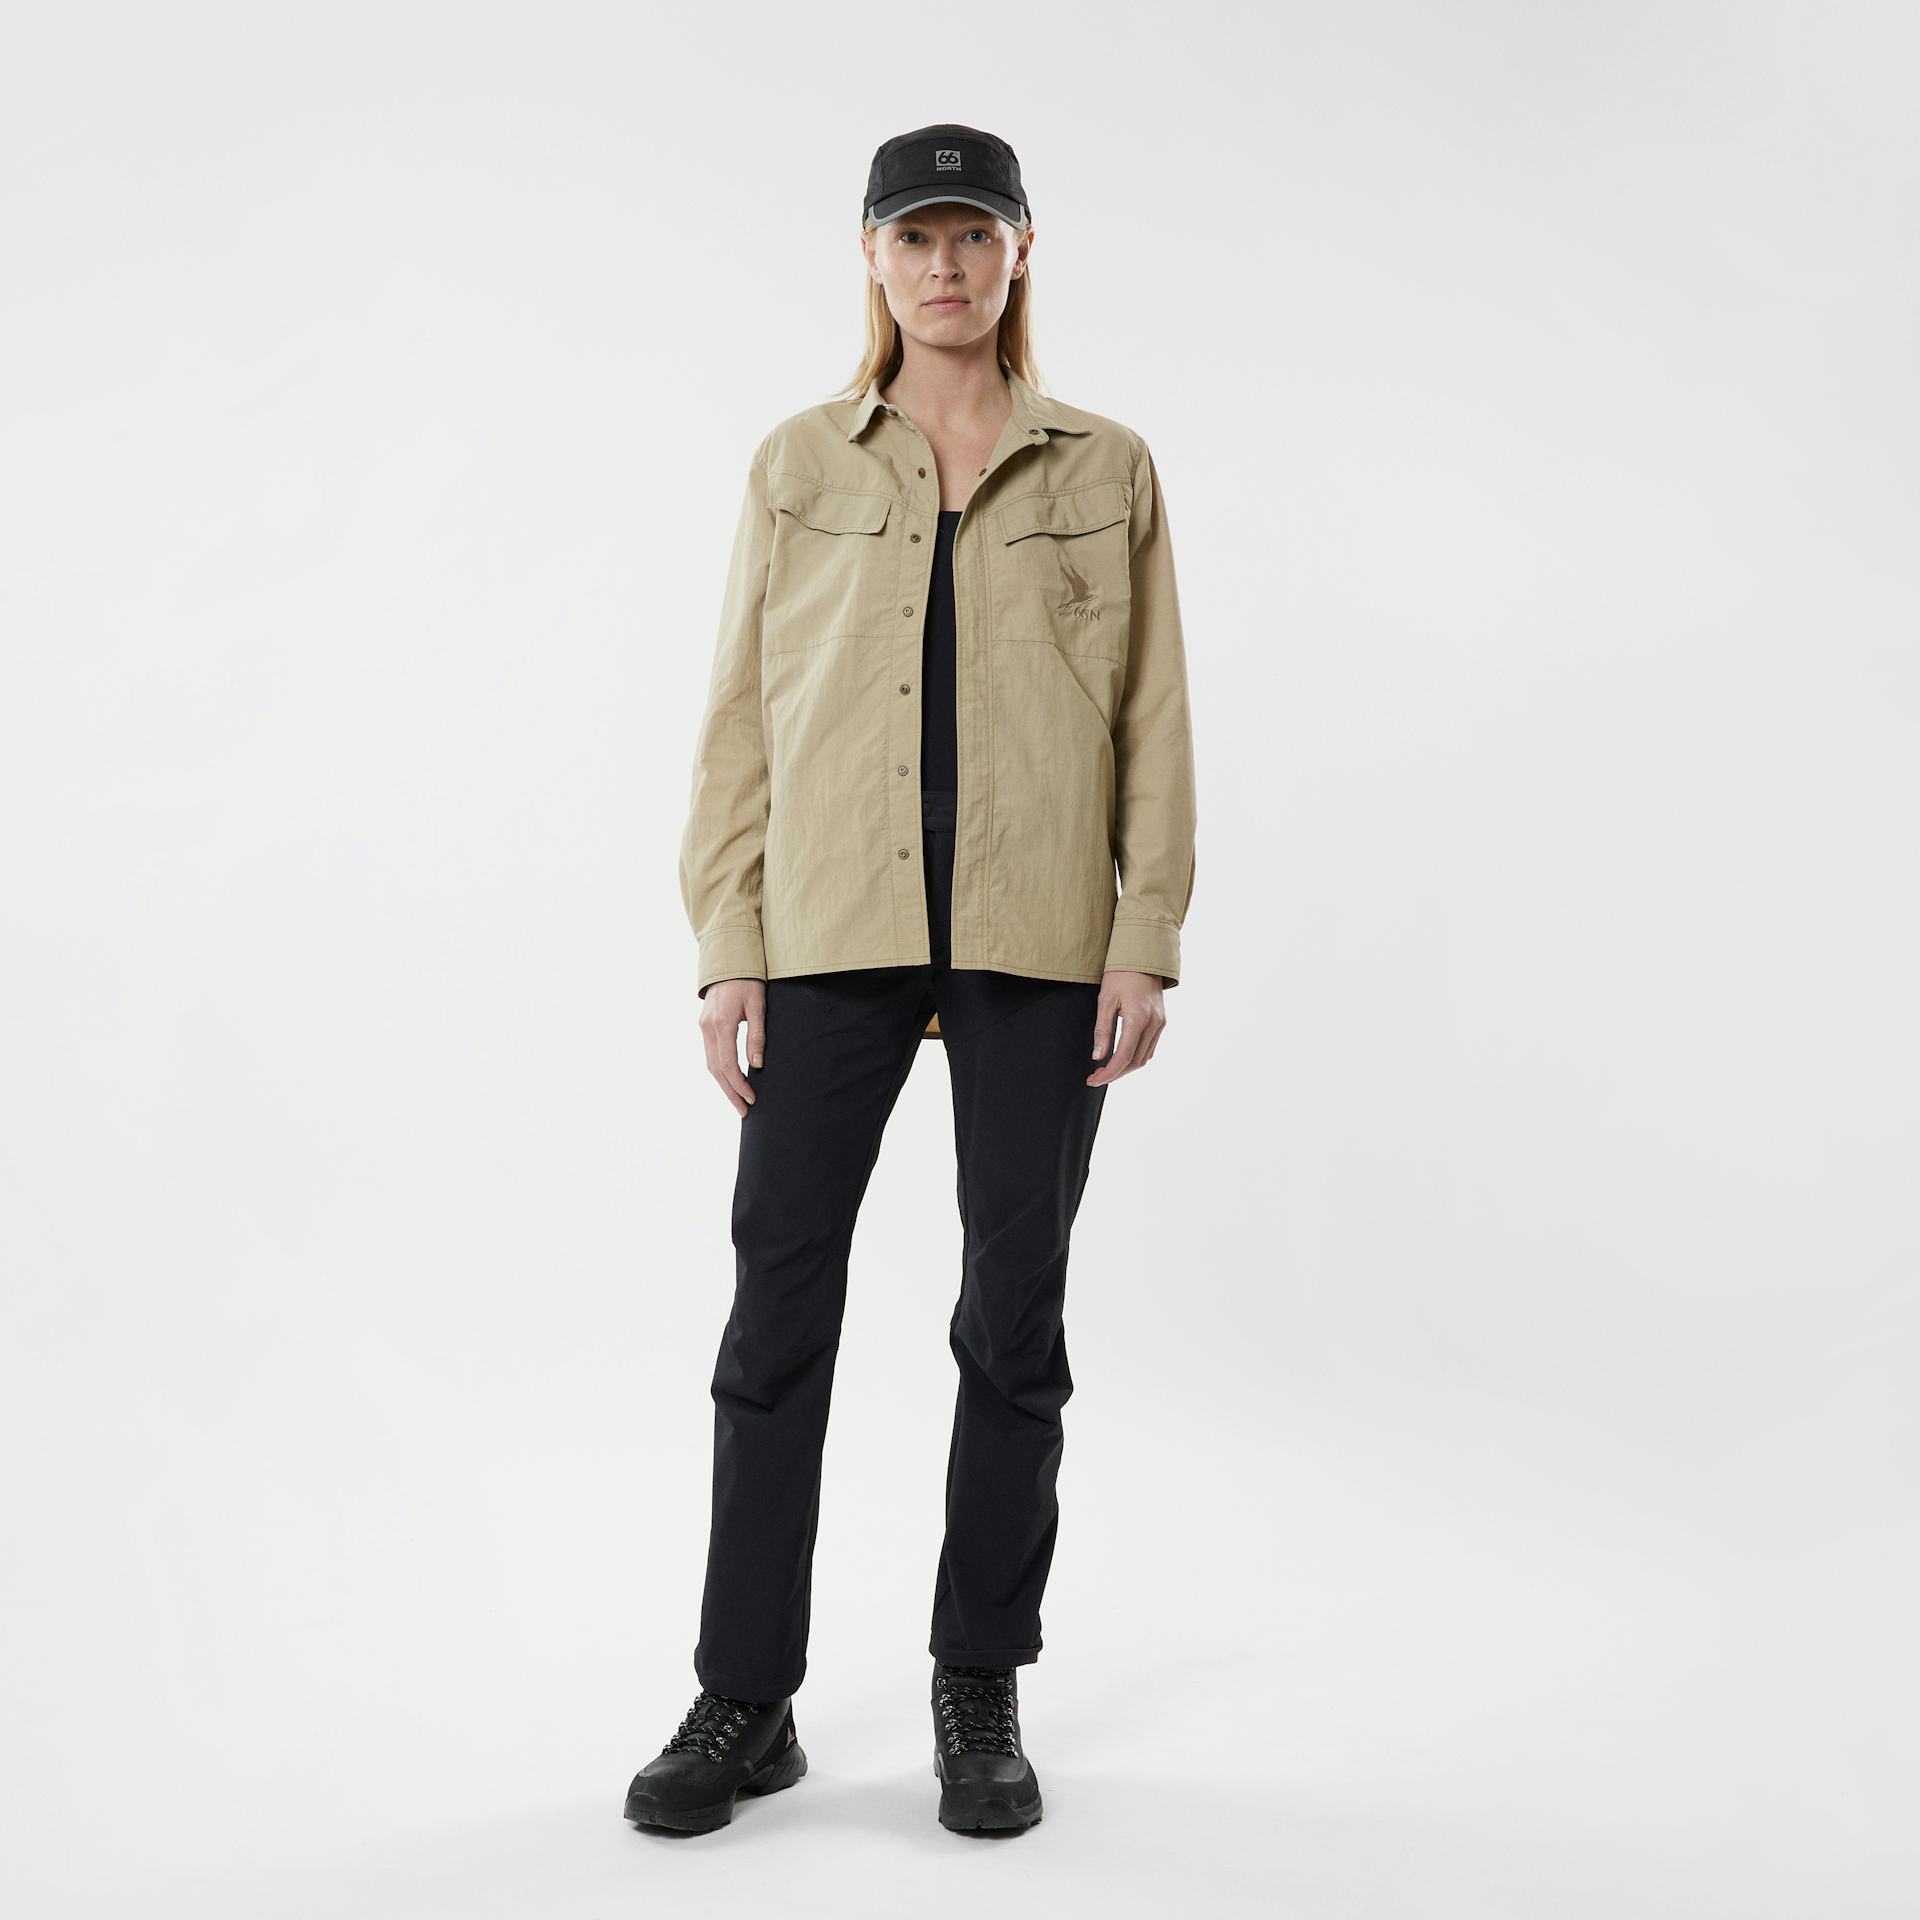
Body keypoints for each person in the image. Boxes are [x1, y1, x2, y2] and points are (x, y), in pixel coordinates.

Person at [623, 123, 1198, 1838]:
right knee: (775, 1317)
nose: (945, 267)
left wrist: (1144, 932)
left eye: (974, 235)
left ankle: (980, 1678)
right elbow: (739, 714)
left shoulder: (1107, 467)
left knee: (1014, 1325)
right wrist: (729, 945)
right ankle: (746, 1697)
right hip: (829, 933)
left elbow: (1155, 715)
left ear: (1021, 252)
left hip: (1039, 938)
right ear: (871, 258)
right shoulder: (801, 462)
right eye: (914, 237)